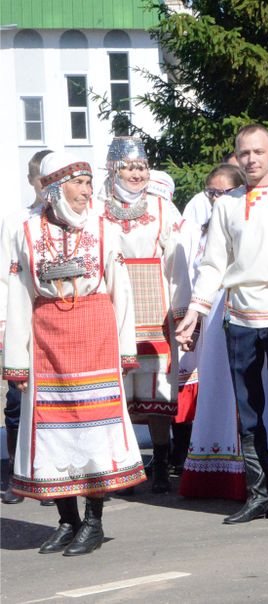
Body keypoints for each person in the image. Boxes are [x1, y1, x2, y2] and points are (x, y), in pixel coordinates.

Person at [175, 124, 268, 527]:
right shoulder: (226, 205)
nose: (252, 160)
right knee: (248, 411)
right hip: (238, 316)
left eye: (258, 152)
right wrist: (195, 312)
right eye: (244, 153)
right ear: (237, 157)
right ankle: (258, 495)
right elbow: (213, 265)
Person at [3, 152, 146, 555]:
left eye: (87, 182)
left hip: (95, 332)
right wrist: (16, 357)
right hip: (47, 336)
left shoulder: (103, 230)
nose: (86, 191)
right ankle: (67, 520)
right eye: (78, 182)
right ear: (54, 187)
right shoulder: (27, 232)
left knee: (94, 428)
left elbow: (121, 288)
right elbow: (18, 296)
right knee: (54, 430)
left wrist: (125, 347)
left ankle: (94, 523)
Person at [176, 163, 268, 501]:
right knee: (218, 389)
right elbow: (197, 271)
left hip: (249, 310)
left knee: (251, 391)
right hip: (214, 316)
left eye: (223, 192)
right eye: (211, 192)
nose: (217, 198)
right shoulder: (204, 226)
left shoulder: (245, 217)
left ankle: (261, 473)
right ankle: (218, 472)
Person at [97, 136, 185, 494]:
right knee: (119, 389)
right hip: (112, 302)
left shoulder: (163, 208)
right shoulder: (96, 208)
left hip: (153, 301)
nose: (137, 174)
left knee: (157, 390)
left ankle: (161, 461)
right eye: (130, 167)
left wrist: (180, 311)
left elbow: (177, 261)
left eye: (142, 167)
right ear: (114, 168)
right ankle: (126, 464)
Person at [1, 149, 53, 505]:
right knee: (18, 399)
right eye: (43, 180)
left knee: (54, 399)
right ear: (32, 181)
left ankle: (49, 474)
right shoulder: (17, 221)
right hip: (23, 318)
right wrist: (6, 326)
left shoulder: (72, 220)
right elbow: (7, 275)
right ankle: (18, 476)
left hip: (57, 321)